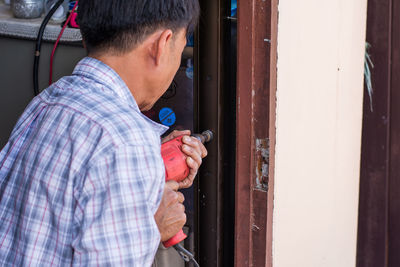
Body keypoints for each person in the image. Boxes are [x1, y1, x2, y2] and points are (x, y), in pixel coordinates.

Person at [0, 0, 204, 265]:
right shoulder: (126, 143)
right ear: (162, 45)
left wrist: (151, 166)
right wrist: (151, 227)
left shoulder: (48, 100)